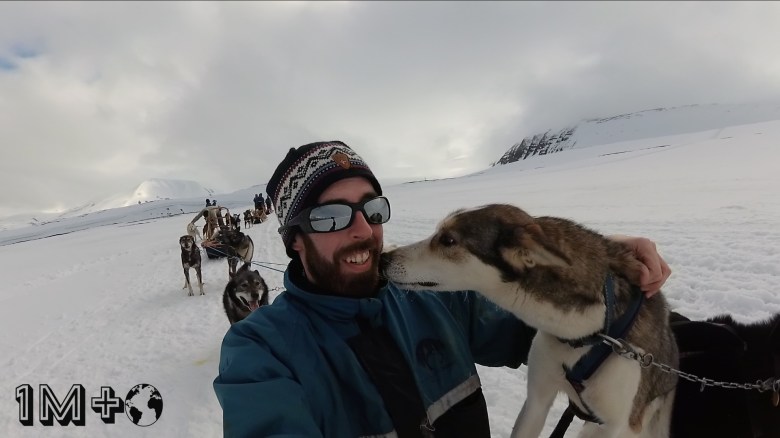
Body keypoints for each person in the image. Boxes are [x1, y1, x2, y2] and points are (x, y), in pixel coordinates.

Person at [213, 141, 673, 437]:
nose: (361, 229)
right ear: (295, 240)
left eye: (371, 209)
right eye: (330, 216)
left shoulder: (440, 300)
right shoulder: (260, 351)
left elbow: (558, 322)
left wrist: (603, 271)